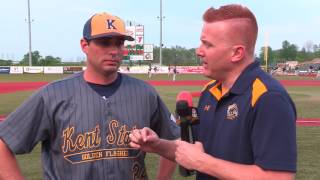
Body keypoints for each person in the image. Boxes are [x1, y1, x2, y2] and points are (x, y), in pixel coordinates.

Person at [0, 12, 179, 180]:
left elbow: (174, 140)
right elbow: (3, 142)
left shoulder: (144, 93)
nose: (114, 50)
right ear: (84, 45)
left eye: (119, 43)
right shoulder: (52, 94)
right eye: (104, 42)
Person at [130, 4, 296, 180]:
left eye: (207, 45)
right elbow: (193, 151)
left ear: (237, 53)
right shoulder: (210, 91)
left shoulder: (269, 98)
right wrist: (157, 145)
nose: (198, 51)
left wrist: (203, 163)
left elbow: (279, 177)